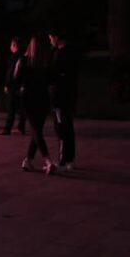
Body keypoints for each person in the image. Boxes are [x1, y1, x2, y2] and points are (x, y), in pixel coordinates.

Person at [21, 34, 57, 174]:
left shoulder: (25, 62)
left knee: (37, 132)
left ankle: (31, 160)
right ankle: (40, 160)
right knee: (37, 131)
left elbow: (19, 80)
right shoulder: (44, 64)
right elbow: (50, 81)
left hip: (30, 101)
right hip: (41, 101)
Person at [49, 29, 79, 171]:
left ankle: (63, 160)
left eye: (51, 38)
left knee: (61, 128)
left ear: (56, 37)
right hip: (69, 95)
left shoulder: (60, 54)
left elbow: (54, 74)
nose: (50, 41)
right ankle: (70, 159)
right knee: (68, 127)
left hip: (60, 97)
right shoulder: (72, 52)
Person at [0, 37, 27, 135]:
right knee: (20, 108)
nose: (10, 46)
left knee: (12, 108)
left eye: (11, 44)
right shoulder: (21, 56)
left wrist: (7, 84)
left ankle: (8, 128)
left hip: (15, 86)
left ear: (14, 45)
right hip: (17, 86)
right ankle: (20, 127)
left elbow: (13, 73)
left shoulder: (16, 57)